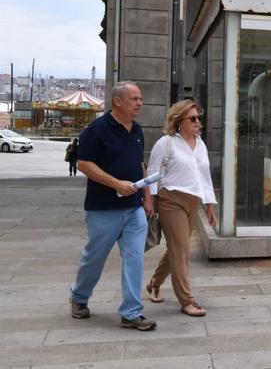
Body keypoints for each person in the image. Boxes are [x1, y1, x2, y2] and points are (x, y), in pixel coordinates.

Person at [68, 81, 157, 331]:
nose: (140, 103)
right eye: (134, 99)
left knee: (134, 259)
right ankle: (79, 296)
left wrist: (147, 198)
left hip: (134, 208)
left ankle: (131, 312)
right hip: (103, 209)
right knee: (94, 258)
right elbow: (84, 164)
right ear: (118, 101)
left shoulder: (137, 130)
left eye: (140, 99)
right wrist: (116, 183)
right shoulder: (96, 129)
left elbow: (140, 165)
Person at [145, 100, 217, 317]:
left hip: (192, 201)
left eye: (198, 118)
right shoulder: (165, 143)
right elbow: (152, 174)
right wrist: (150, 202)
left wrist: (210, 206)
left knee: (177, 248)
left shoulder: (200, 144)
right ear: (179, 122)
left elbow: (205, 177)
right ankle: (186, 300)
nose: (197, 122)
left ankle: (154, 283)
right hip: (170, 200)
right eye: (192, 118)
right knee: (182, 251)